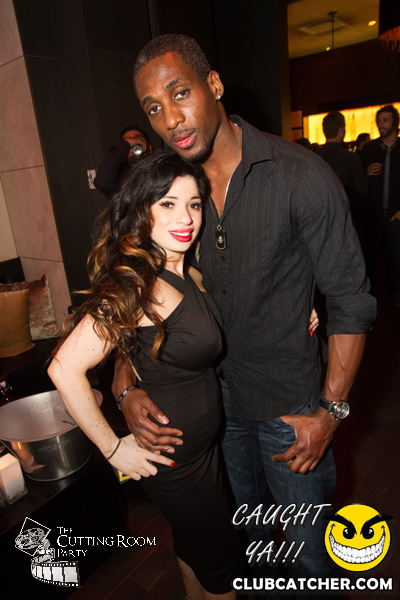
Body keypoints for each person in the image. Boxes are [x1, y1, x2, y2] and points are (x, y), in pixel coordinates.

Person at [114, 34, 376, 587]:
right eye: (153, 108)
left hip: (290, 408)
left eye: (179, 93)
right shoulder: (168, 192)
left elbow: (351, 300)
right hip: (213, 409)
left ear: (213, 84)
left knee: (310, 560)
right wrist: (125, 381)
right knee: (249, 548)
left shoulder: (301, 176)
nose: (170, 119)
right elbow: (136, 293)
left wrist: (331, 413)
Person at [49, 151, 244, 599]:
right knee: (222, 563)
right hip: (174, 460)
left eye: (194, 204)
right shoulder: (138, 285)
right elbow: (64, 367)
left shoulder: (187, 273)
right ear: (142, 210)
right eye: (168, 203)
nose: (186, 217)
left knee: (196, 548)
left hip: (200, 452)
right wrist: (113, 447)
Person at [360, 105, 400, 305]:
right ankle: (371, 299)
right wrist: (366, 173)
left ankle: (396, 296)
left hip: (395, 214)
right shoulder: (369, 149)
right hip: (373, 214)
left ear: (395, 122)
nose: (380, 124)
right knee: (370, 259)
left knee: (396, 259)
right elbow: (358, 183)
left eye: (385, 120)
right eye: (378, 121)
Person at [317, 112, 368, 233]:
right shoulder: (350, 158)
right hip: (347, 219)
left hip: (321, 219)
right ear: (341, 131)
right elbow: (363, 190)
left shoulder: (314, 157)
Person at [94, 125, 152, 198]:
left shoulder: (158, 170)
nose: (135, 144)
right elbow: (101, 183)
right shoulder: (118, 178)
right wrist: (126, 144)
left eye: (139, 140)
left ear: (150, 148)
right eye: (131, 141)